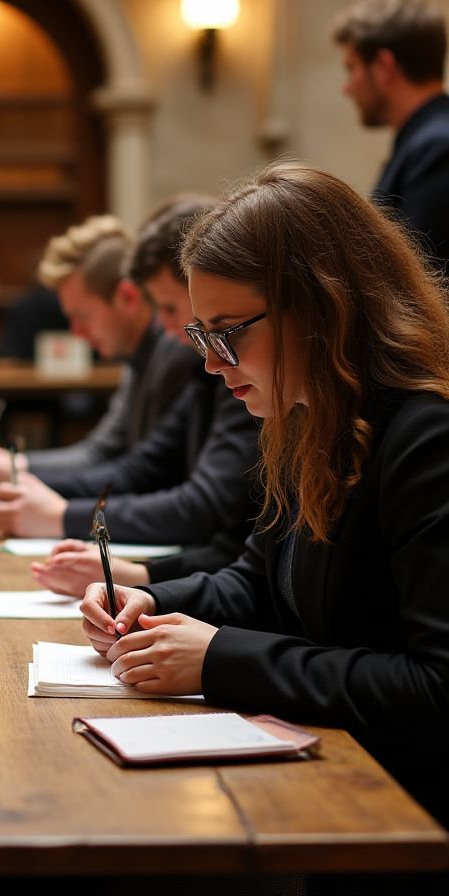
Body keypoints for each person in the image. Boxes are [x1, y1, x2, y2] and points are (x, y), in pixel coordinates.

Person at [81, 163, 449, 843]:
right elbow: (256, 581)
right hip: (334, 783)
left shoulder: (427, 437)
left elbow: (435, 687)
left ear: (320, 308)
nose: (211, 364)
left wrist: (220, 658)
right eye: (200, 334)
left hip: (403, 817)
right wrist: (157, 604)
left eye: (227, 333)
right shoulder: (306, 415)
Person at [0, 197, 259, 588]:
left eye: (169, 308)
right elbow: (144, 463)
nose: (178, 333)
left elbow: (206, 507)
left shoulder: (189, 357)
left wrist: (64, 515)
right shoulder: (204, 364)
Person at [0, 213, 201, 487]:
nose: (75, 332)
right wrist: (18, 464)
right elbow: (101, 451)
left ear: (127, 297)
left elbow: (147, 476)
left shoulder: (178, 349)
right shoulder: (138, 355)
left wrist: (37, 491)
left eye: (82, 315)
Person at [333, 0, 449, 272]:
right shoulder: (424, 140)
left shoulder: (437, 146)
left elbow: (417, 275)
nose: (347, 88)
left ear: (384, 66)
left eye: (352, 68)